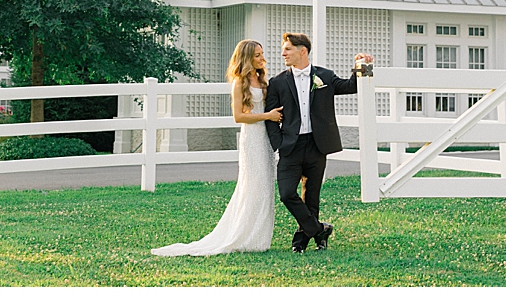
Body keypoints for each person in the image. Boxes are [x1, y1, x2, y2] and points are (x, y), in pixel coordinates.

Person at [151, 39, 284, 256]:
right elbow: (238, 116)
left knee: (266, 187)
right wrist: (267, 116)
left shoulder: (263, 80)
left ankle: (259, 238)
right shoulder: (239, 83)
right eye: (257, 55)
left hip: (267, 139)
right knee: (254, 185)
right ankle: (243, 237)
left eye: (262, 54)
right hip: (252, 139)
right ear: (247, 57)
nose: (262, 58)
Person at [265, 32, 373, 253]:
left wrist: (362, 66)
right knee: (287, 194)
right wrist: (279, 143)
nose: (283, 53)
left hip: (317, 145)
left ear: (302, 51)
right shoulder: (277, 82)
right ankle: (319, 229)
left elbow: (351, 86)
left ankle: (303, 242)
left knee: (311, 195)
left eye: (288, 49)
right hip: (290, 146)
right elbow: (270, 117)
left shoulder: (324, 75)